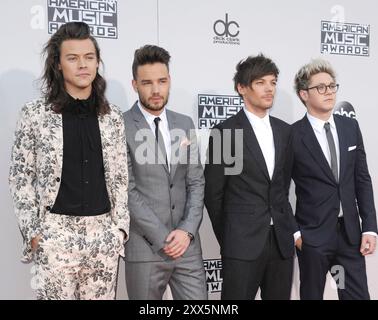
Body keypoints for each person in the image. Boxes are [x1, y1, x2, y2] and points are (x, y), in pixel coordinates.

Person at [8, 22, 129, 300]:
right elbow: (21, 177)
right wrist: (35, 234)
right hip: (55, 235)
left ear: (97, 62)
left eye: (89, 57)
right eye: (72, 58)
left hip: (103, 236)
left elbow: (121, 176)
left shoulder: (113, 117)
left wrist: (119, 230)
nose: (82, 65)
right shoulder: (35, 114)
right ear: (58, 64)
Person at [204, 54, 298, 300]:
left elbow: (282, 188)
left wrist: (290, 231)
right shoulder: (226, 133)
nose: (269, 89)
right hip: (241, 245)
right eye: (260, 82)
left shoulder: (285, 132)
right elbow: (214, 194)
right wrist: (230, 237)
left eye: (273, 82)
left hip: (281, 244)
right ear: (241, 88)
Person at [123, 45, 207, 300]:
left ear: (169, 80)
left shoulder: (185, 123)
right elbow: (126, 189)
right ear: (135, 84)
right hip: (145, 248)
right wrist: (163, 238)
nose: (156, 90)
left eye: (162, 81)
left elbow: (196, 182)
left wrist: (187, 231)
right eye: (147, 83)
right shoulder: (120, 125)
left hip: (187, 247)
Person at [292, 58, 377, 300]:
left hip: (350, 236)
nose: (328, 92)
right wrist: (296, 234)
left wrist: (370, 227)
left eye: (331, 86)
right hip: (313, 237)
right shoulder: (293, 135)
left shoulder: (350, 127)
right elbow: (277, 190)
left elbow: (362, 179)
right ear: (304, 94)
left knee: (356, 296)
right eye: (320, 87)